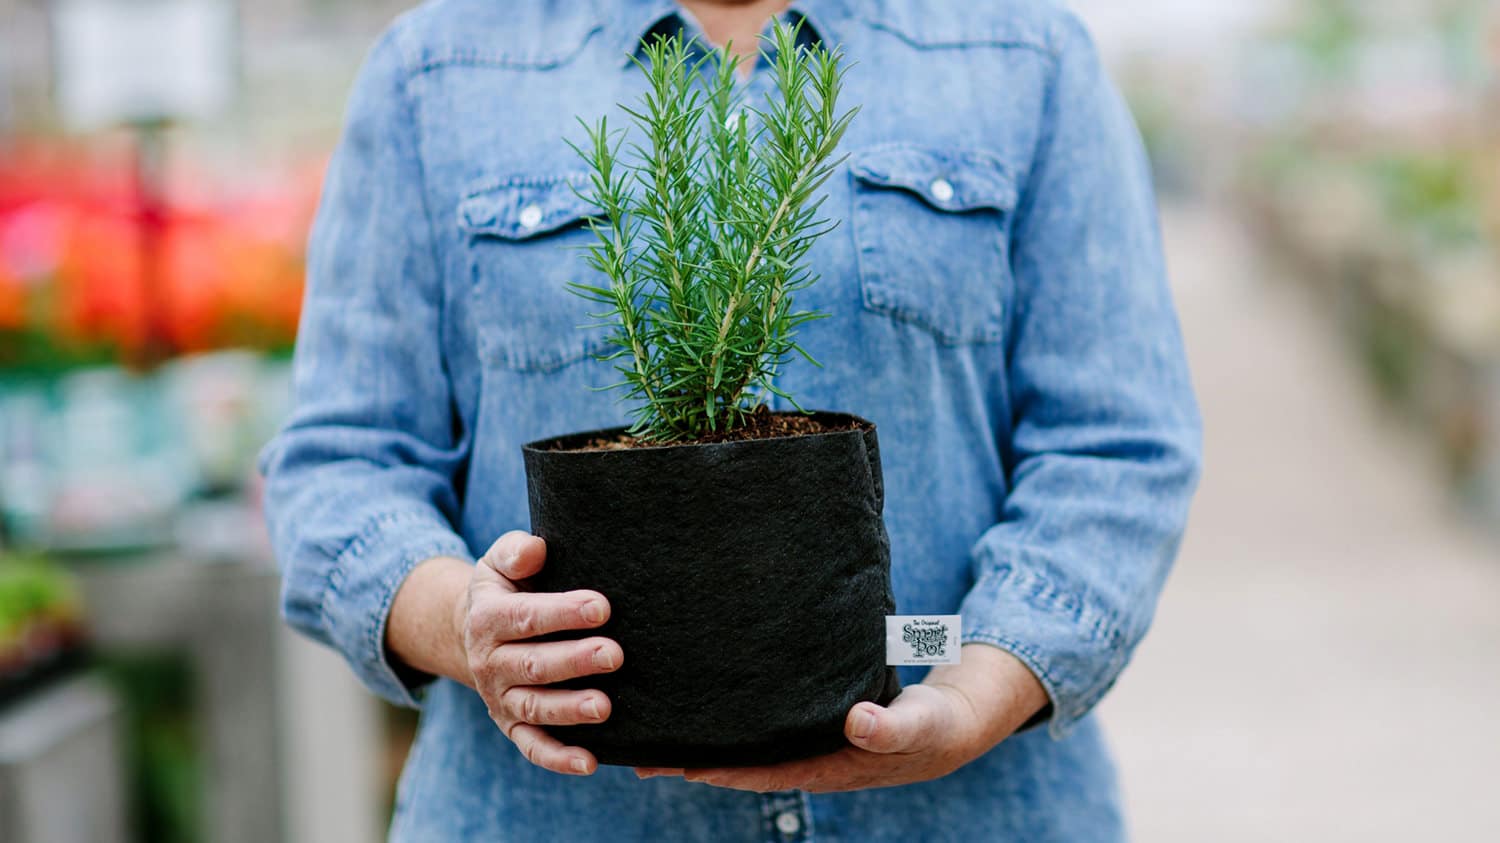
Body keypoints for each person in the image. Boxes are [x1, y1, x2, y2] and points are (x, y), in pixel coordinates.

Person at [259, 0, 1202, 839]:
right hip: (549, 812)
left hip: (969, 795)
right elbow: (342, 462)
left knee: (922, 633)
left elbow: (1117, 446)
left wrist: (979, 683)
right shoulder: (438, 68)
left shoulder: (1021, 49)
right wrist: (465, 621)